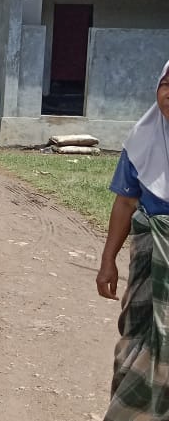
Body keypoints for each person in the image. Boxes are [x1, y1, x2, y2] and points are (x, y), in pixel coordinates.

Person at [97, 59, 169, 420]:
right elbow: (125, 202)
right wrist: (107, 261)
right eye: (166, 84)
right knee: (139, 338)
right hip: (148, 258)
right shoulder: (142, 141)